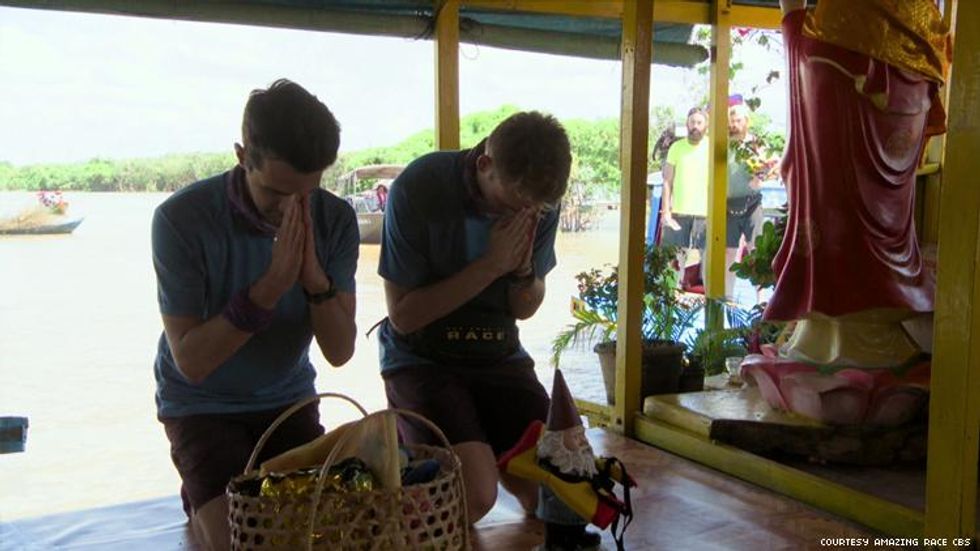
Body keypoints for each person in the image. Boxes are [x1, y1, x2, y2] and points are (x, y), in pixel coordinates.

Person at [151, 79, 358, 550]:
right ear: (243, 156)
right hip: (201, 404)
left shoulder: (335, 219)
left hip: (287, 397)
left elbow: (341, 352)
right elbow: (192, 363)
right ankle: (205, 491)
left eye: (305, 193)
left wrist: (314, 282)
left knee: (324, 534)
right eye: (275, 192)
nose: (289, 210)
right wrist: (267, 290)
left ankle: (211, 493)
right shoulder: (179, 220)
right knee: (245, 540)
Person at [377, 111, 572, 523]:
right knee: (470, 497)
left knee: (561, 492)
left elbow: (526, 306)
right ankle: (412, 444)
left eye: (537, 207)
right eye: (515, 201)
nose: (525, 214)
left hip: (497, 353)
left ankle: (483, 448)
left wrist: (520, 272)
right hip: (422, 357)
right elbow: (403, 317)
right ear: (485, 165)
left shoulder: (537, 204)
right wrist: (490, 264)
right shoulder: (421, 187)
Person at [724, 102, 771, 298]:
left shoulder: (756, 143)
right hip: (728, 205)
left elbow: (768, 166)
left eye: (738, 120)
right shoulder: (724, 143)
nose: (734, 124)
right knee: (728, 253)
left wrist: (759, 176)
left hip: (752, 204)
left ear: (747, 122)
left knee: (756, 252)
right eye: (732, 120)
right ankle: (727, 297)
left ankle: (761, 301)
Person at [661, 107, 709, 284]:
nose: (695, 126)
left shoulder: (712, 147)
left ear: (706, 125)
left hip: (705, 212)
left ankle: (706, 291)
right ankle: (674, 290)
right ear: (687, 124)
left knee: (705, 254)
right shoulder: (676, 148)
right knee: (676, 255)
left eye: (699, 122)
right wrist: (666, 211)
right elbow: (667, 181)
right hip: (679, 211)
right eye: (692, 122)